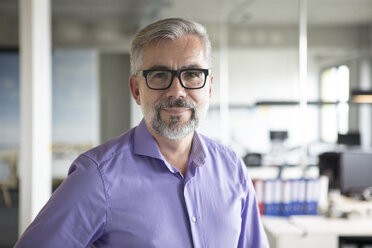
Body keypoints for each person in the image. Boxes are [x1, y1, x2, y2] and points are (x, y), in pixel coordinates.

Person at [15, 18, 269, 248]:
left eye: (192, 74)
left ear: (209, 87)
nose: (177, 91)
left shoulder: (232, 168)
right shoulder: (98, 176)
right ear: (136, 89)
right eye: (159, 75)